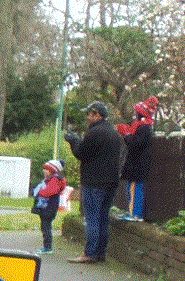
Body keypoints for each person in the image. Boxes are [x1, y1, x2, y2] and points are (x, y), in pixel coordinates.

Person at [64, 101, 122, 263]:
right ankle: (100, 253)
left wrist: (73, 141)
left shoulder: (94, 133)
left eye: (89, 114)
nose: (87, 117)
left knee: (92, 218)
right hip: (110, 182)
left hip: (94, 182)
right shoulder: (114, 133)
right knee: (103, 218)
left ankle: (89, 253)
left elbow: (81, 154)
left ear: (97, 115)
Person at [117, 96, 158, 221]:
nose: (135, 114)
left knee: (135, 189)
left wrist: (126, 135)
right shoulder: (142, 126)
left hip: (138, 165)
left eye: (137, 112)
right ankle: (132, 211)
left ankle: (135, 214)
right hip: (136, 164)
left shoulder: (145, 128)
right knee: (132, 188)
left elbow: (135, 144)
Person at [31, 159, 67, 254]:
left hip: (48, 207)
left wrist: (39, 192)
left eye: (46, 169)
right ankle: (47, 246)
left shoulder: (54, 179)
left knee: (46, 227)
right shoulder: (51, 179)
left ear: (52, 170)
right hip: (48, 207)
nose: (44, 170)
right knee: (45, 226)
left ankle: (48, 247)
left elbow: (50, 191)